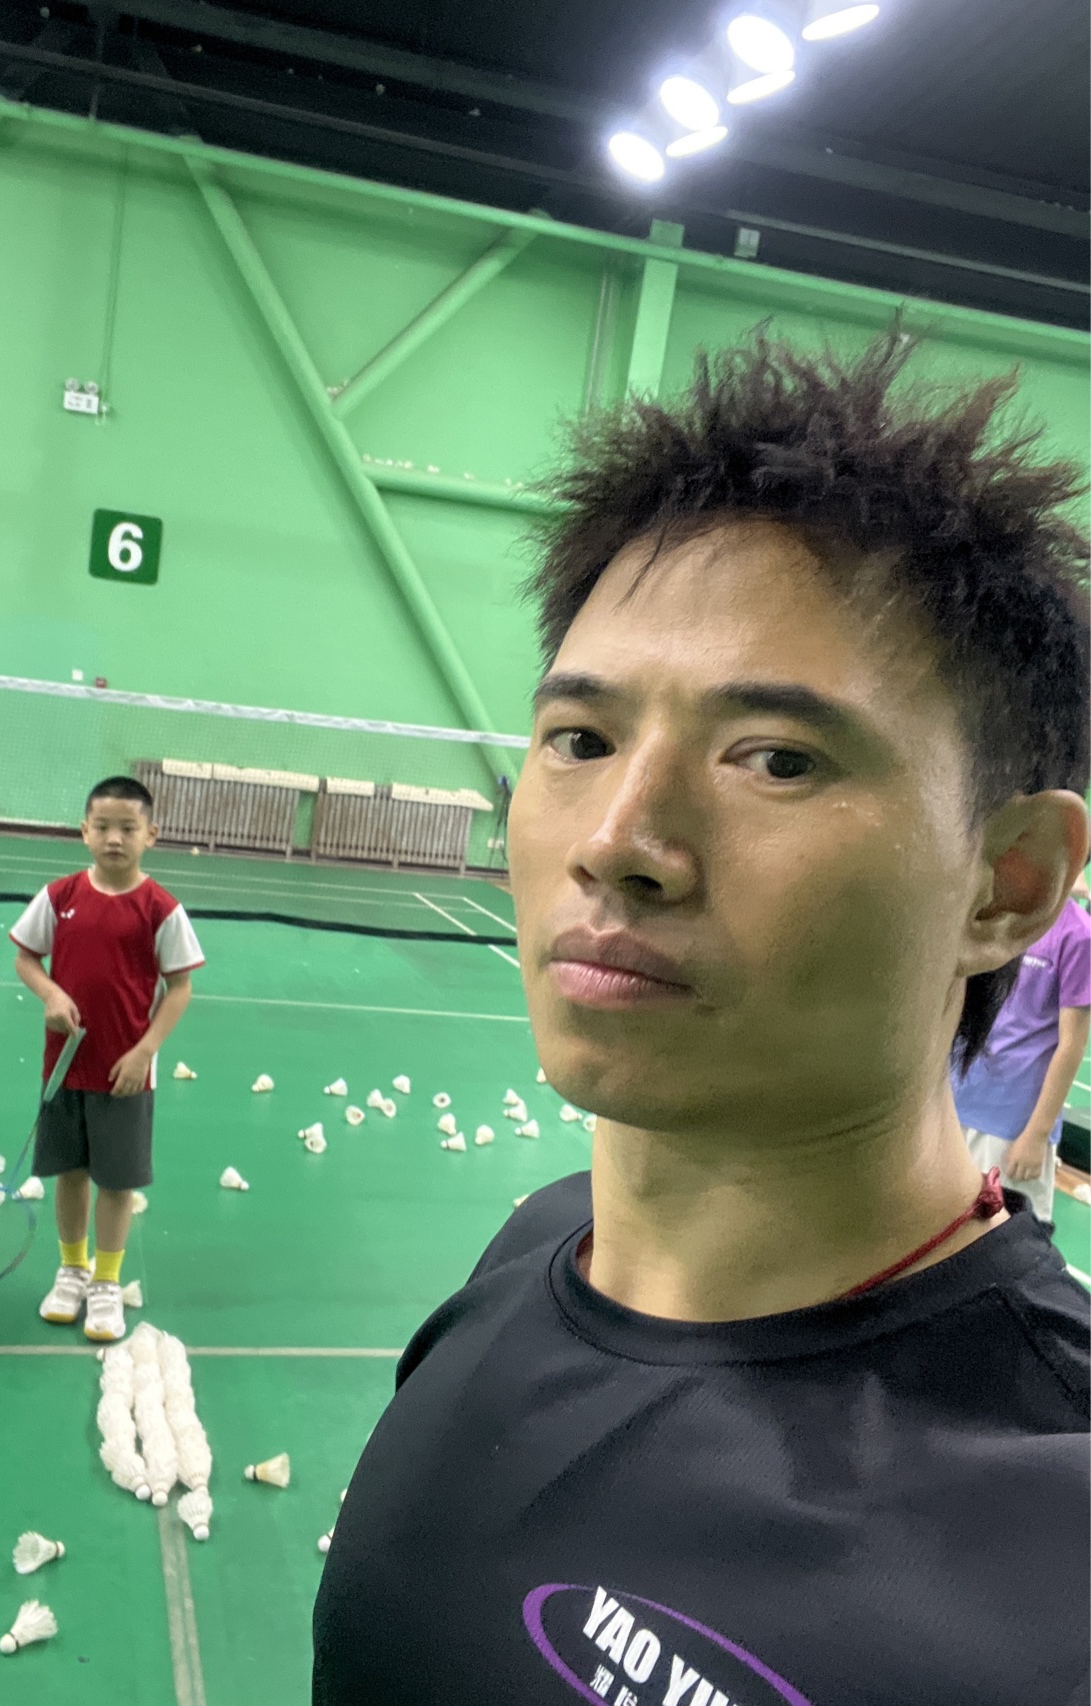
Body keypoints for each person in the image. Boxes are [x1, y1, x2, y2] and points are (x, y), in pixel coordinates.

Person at [313, 334, 1090, 1706]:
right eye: (580, 739)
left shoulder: (1054, 1548)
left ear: (1007, 881)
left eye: (774, 759)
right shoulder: (533, 1247)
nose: (617, 840)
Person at [11, 775, 203, 1343]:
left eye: (127, 828)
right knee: (70, 1173)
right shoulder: (60, 897)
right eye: (102, 827)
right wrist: (50, 994)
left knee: (116, 1183)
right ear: (84, 831)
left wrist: (145, 1052)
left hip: (125, 1075)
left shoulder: (160, 909)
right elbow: (25, 958)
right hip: (65, 1066)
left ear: (151, 835)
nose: (114, 838)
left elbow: (180, 988)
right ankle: (72, 1270)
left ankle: (106, 1281)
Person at [953, 895, 1090, 1224]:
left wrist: (1037, 1135)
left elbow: (1071, 1044)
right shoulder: (991, 915)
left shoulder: (1078, 935)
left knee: (1006, 1234)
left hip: (1011, 1124)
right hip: (956, 1102)